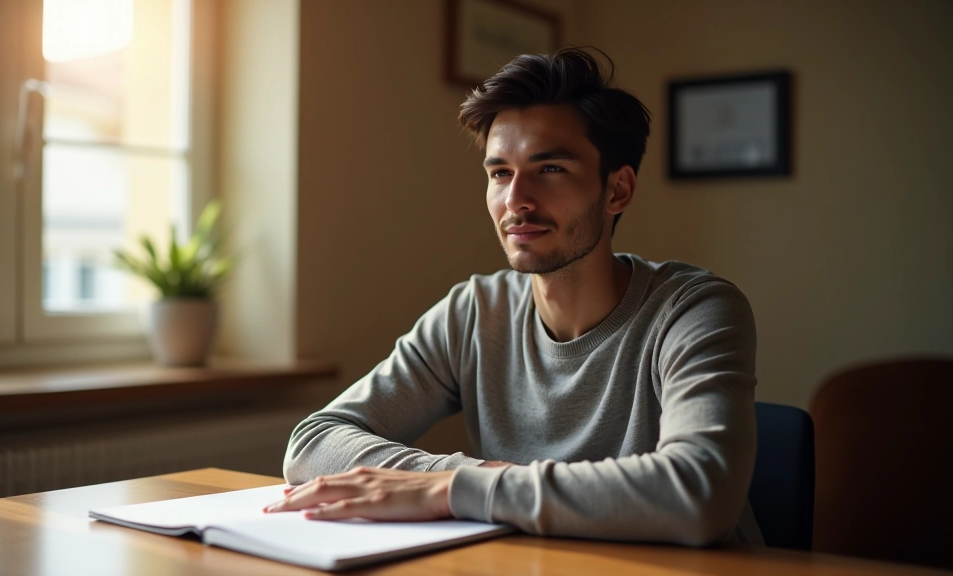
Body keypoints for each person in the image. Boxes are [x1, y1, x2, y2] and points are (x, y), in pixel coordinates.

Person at [268, 47, 763, 546]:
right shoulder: (476, 313)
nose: (516, 200)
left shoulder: (694, 309)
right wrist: (462, 478)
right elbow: (313, 441)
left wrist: (452, 489)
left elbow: (701, 493)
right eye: (500, 172)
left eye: (549, 169)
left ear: (617, 191)